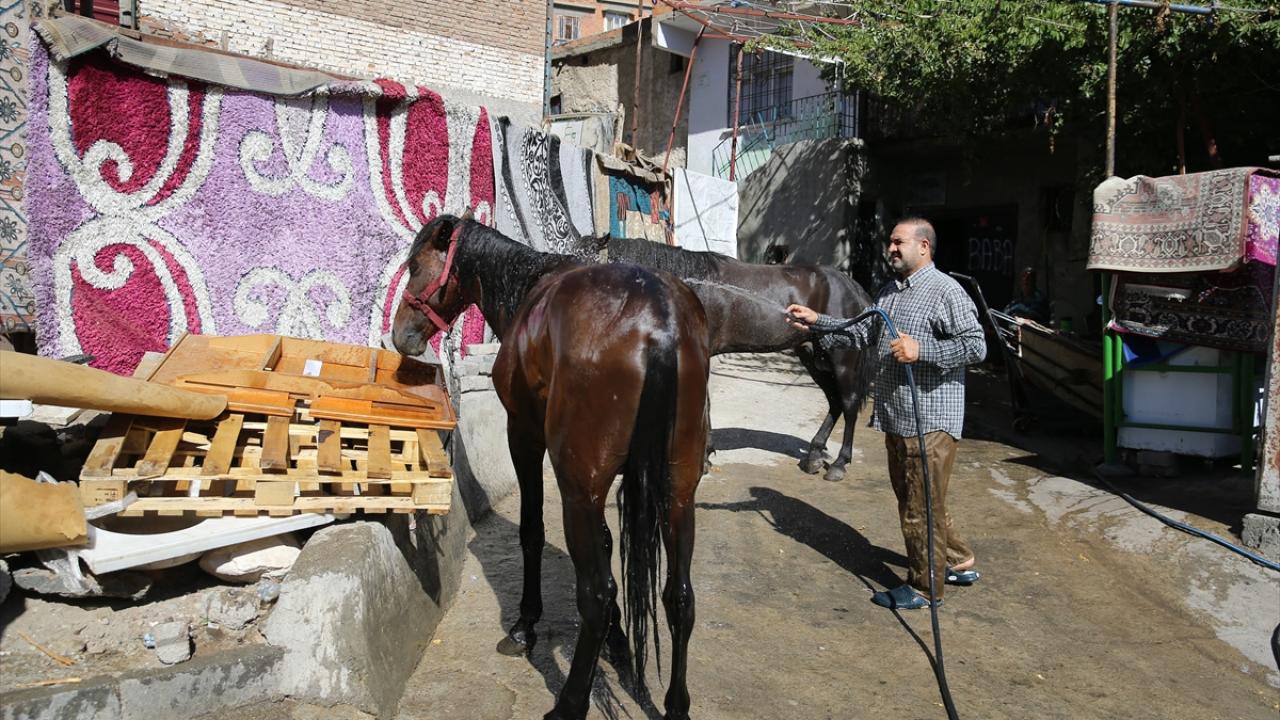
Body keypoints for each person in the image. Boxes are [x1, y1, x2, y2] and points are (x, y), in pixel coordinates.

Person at [785, 218, 986, 610]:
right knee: (922, 499)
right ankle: (958, 560)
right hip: (898, 417)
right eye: (890, 243)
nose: (890, 248)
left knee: (917, 508)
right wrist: (817, 323)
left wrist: (922, 350)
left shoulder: (946, 291)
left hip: (930, 420)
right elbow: (862, 333)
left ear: (924, 246)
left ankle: (926, 589)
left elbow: (977, 347)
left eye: (899, 242)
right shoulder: (892, 291)